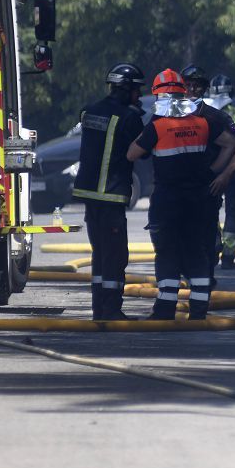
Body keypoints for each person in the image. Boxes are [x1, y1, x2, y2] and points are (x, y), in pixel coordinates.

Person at [127, 69, 235, 321]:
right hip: (197, 200)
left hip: (168, 201)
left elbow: (131, 154)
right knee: (197, 252)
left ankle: (165, 311)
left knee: (167, 253)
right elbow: (232, 143)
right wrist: (213, 171)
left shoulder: (158, 126)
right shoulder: (202, 123)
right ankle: (199, 310)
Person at [71, 63, 146, 321]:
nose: (139, 96)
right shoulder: (129, 117)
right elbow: (143, 149)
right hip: (111, 194)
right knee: (115, 256)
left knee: (100, 254)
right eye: (136, 90)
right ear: (126, 90)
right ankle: (112, 310)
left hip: (89, 195)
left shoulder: (89, 111)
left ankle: (98, 309)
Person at [181, 65, 235, 285]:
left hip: (213, 179)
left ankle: (205, 275)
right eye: (187, 85)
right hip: (183, 184)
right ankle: (192, 273)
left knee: (211, 235)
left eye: (196, 85)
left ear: (205, 89)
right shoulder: (170, 114)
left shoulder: (215, 116)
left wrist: (219, 172)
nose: (191, 89)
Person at [203, 73, 235, 270]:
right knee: (233, 213)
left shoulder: (205, 114)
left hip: (213, 171)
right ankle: (229, 256)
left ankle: (214, 245)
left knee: (210, 210)